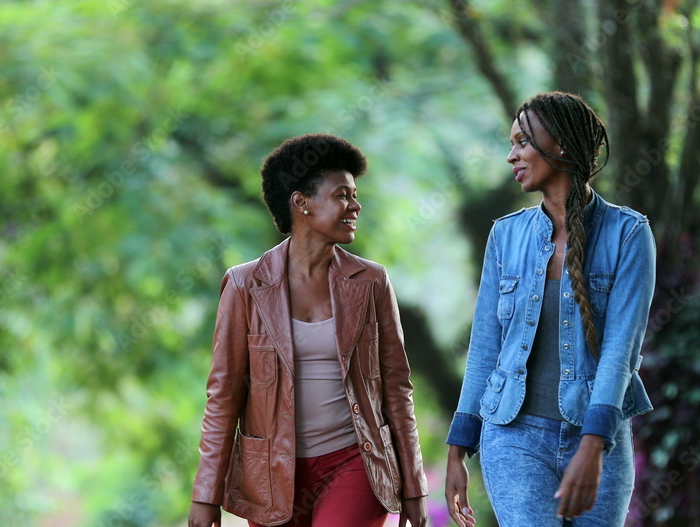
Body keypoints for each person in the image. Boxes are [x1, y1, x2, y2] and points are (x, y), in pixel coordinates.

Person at [188, 134, 428, 527]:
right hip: (271, 476)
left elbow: (397, 388)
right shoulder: (245, 286)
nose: (355, 205)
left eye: (354, 194)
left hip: (357, 461)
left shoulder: (371, 282)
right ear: (301, 203)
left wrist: (414, 485)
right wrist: (205, 494)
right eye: (342, 195)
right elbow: (224, 393)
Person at [443, 92, 656, 526]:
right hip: (514, 435)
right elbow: (485, 348)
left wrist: (594, 444)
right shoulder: (505, 236)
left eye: (522, 141)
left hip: (600, 438)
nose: (511, 155)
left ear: (558, 143)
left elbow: (621, 350)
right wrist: (457, 448)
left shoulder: (629, 235)